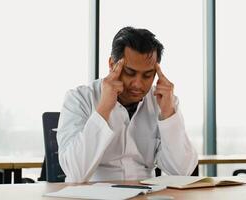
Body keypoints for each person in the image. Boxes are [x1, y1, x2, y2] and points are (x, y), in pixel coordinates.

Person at [57, 26, 198, 183]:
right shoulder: (79, 98)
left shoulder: (163, 101)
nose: (138, 84)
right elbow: (75, 172)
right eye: (130, 73)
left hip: (146, 193)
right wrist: (104, 109)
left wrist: (168, 115)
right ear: (112, 64)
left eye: (147, 75)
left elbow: (182, 170)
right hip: (94, 193)